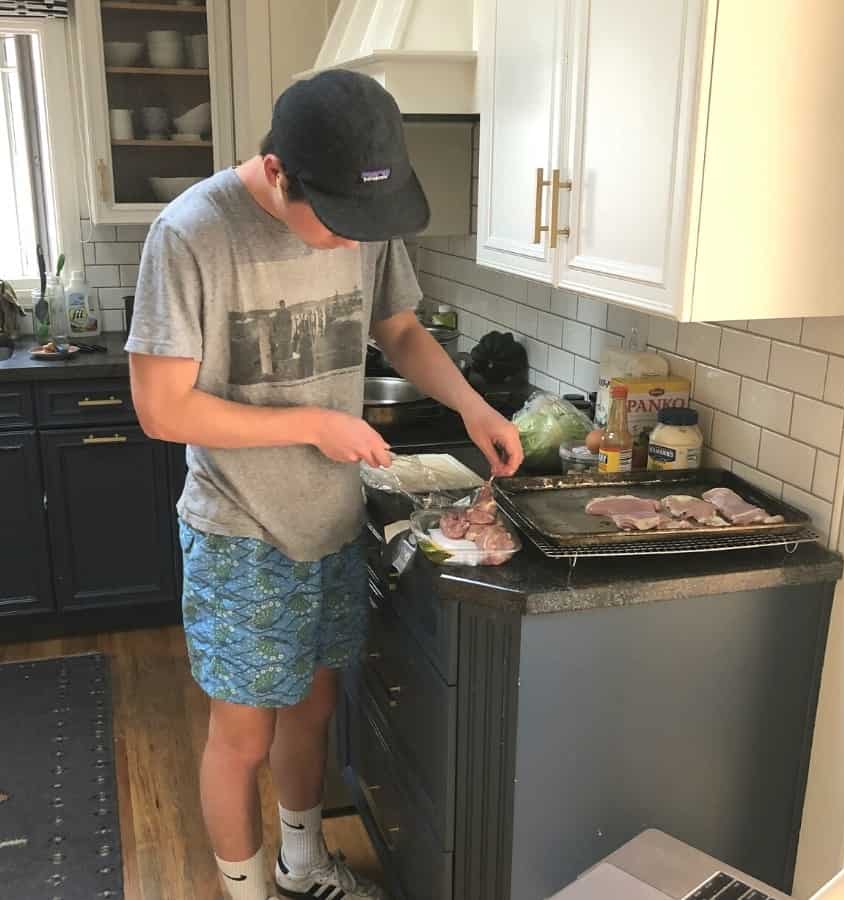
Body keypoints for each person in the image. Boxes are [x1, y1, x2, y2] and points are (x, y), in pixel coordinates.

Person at [126, 69, 523, 900]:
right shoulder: (191, 233)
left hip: (333, 522)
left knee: (314, 707)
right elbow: (161, 409)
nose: (353, 242)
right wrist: (312, 424)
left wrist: (474, 405)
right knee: (241, 736)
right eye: (337, 223)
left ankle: (301, 866)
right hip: (240, 528)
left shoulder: (366, 215)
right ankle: (248, 892)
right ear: (278, 172)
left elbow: (401, 328)